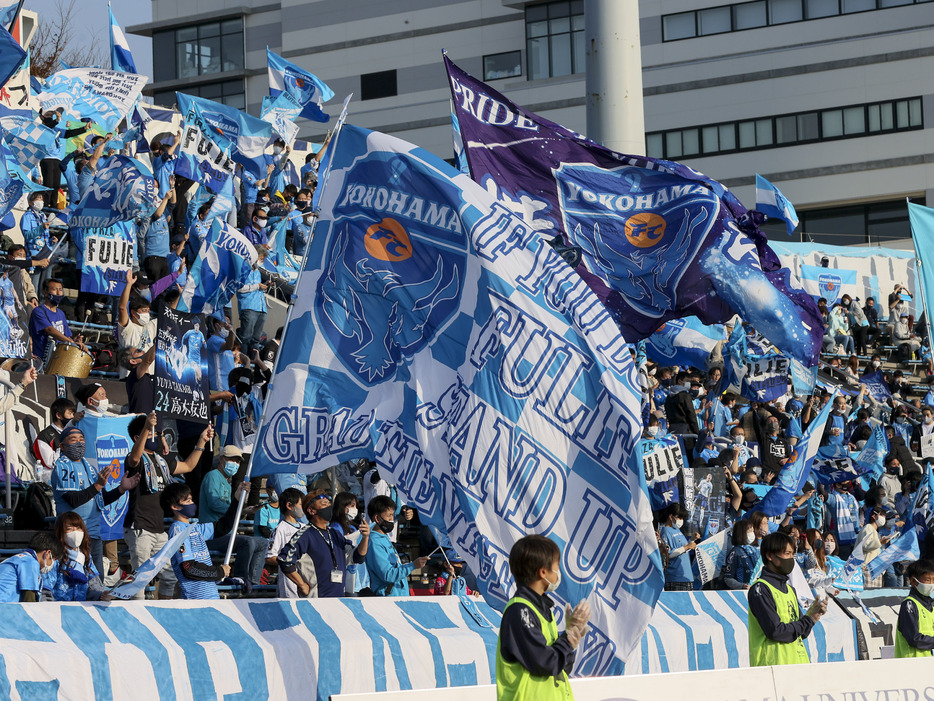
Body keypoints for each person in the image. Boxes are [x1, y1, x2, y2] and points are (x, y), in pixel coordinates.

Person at [123, 411, 213, 599]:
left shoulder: (161, 461)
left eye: (155, 432)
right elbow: (134, 458)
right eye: (149, 433)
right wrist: (146, 425)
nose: (154, 436)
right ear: (137, 438)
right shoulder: (135, 460)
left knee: (170, 575)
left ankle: (164, 612)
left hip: (158, 528)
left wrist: (201, 442)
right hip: (140, 527)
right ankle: (138, 618)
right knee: (140, 578)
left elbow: (188, 466)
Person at [496, 534, 591, 701]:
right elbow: (545, 662)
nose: (558, 573)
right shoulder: (520, 611)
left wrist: (569, 636)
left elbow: (560, 668)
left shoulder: (541, 610)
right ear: (543, 572)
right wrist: (567, 641)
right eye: (557, 566)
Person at [51, 426, 137, 576]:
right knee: (74, 578)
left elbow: (99, 498)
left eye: (81, 439)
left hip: (94, 534)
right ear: (62, 446)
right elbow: (73, 499)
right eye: (73, 440)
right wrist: (97, 485)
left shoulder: (88, 467)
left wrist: (121, 489)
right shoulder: (62, 466)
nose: (79, 443)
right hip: (72, 535)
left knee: (97, 580)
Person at [747, 532, 828, 666]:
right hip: (773, 669)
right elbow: (776, 631)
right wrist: (806, 620)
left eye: (792, 554)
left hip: (797, 666)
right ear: (770, 556)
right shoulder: (760, 589)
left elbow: (800, 633)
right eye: (787, 554)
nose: (791, 559)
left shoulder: (790, 590)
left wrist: (812, 617)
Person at [162, 480, 249, 600]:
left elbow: (223, 527)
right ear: (175, 506)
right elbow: (188, 568)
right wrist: (219, 572)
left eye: (191, 500)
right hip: (195, 599)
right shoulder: (178, 530)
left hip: (210, 597)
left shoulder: (195, 528)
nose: (192, 503)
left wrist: (237, 499)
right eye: (187, 501)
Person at [277, 491, 370, 598]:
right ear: (311, 511)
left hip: (338, 599)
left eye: (329, 504)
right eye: (324, 504)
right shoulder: (305, 535)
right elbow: (284, 559)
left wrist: (365, 537)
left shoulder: (334, 534)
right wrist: (302, 585)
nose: (328, 507)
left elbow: (357, 557)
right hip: (316, 601)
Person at [364, 494, 426, 597]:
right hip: (388, 600)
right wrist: (413, 566)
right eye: (389, 515)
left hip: (399, 597)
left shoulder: (384, 538)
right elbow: (388, 574)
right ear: (377, 518)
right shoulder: (374, 542)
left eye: (393, 515)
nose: (392, 519)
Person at [48, 511, 111, 601]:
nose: (75, 533)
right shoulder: (55, 557)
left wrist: (101, 595)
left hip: (80, 609)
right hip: (59, 609)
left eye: (78, 528)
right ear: (61, 532)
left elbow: (93, 584)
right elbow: (46, 589)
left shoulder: (85, 556)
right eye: (69, 529)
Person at [29, 278, 87, 365]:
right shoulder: (39, 311)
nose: (58, 293)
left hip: (58, 359)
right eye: (54, 289)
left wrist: (75, 340)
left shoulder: (61, 313)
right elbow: (49, 330)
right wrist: (70, 342)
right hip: (42, 359)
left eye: (60, 290)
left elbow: (66, 336)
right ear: (45, 292)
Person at [265, 487, 306, 597]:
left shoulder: (305, 528)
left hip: (306, 578)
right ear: (289, 506)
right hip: (289, 582)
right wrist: (289, 562)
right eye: (301, 505)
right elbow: (270, 557)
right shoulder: (280, 529)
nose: (304, 508)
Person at [0, 532, 62, 602]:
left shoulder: (18, 559)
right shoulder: (31, 563)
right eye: (53, 559)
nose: (52, 564)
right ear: (47, 554)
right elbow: (29, 601)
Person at [895, 559, 934, 658]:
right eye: (927, 580)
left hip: (927, 663)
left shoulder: (931, 605)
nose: (931, 584)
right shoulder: (909, 605)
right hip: (911, 665)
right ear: (913, 581)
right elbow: (914, 638)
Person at [659, 504, 695, 590]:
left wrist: (692, 540)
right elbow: (667, 554)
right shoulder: (665, 532)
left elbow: (683, 549)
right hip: (675, 578)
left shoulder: (677, 530)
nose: (681, 521)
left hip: (687, 576)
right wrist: (687, 547)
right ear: (671, 517)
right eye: (679, 517)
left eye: (683, 518)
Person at [723, 519, 760, 590]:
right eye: (749, 531)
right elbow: (728, 578)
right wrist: (742, 586)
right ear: (742, 533)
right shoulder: (735, 552)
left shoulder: (755, 550)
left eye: (753, 531)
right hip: (741, 592)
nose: (752, 533)